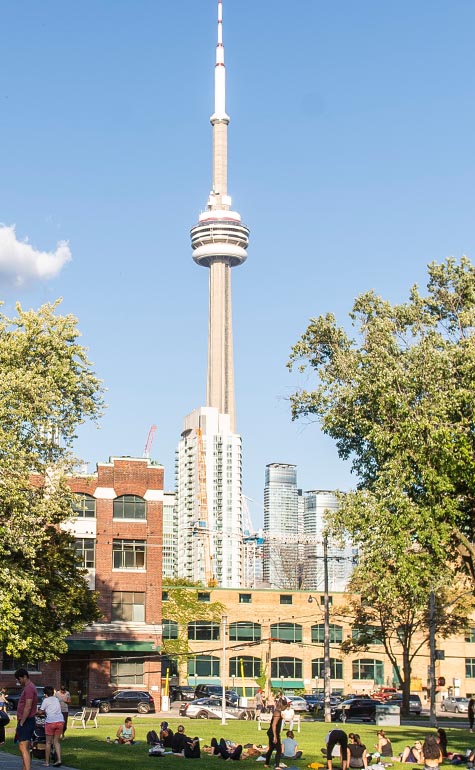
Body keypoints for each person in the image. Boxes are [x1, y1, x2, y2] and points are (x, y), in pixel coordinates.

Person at [15, 667, 39, 770]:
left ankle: (27, 768)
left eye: (19, 679)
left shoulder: (29, 688)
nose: (18, 681)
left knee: (23, 746)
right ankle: (25, 768)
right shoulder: (29, 687)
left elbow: (28, 706)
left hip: (26, 721)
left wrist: (22, 722)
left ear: (24, 677)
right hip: (26, 720)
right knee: (25, 747)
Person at [38, 685, 64, 767]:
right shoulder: (56, 699)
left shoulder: (46, 700)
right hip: (60, 721)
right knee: (56, 742)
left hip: (51, 722)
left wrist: (33, 712)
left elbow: (40, 712)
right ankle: (59, 760)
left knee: (48, 742)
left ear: (45, 694)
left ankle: (47, 762)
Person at [264, 695, 286, 769]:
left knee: (271, 748)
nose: (285, 708)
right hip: (273, 732)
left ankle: (266, 763)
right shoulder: (277, 713)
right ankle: (277, 766)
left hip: (272, 732)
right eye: (285, 706)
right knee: (279, 750)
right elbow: (274, 725)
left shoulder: (277, 712)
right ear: (282, 705)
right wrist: (275, 736)